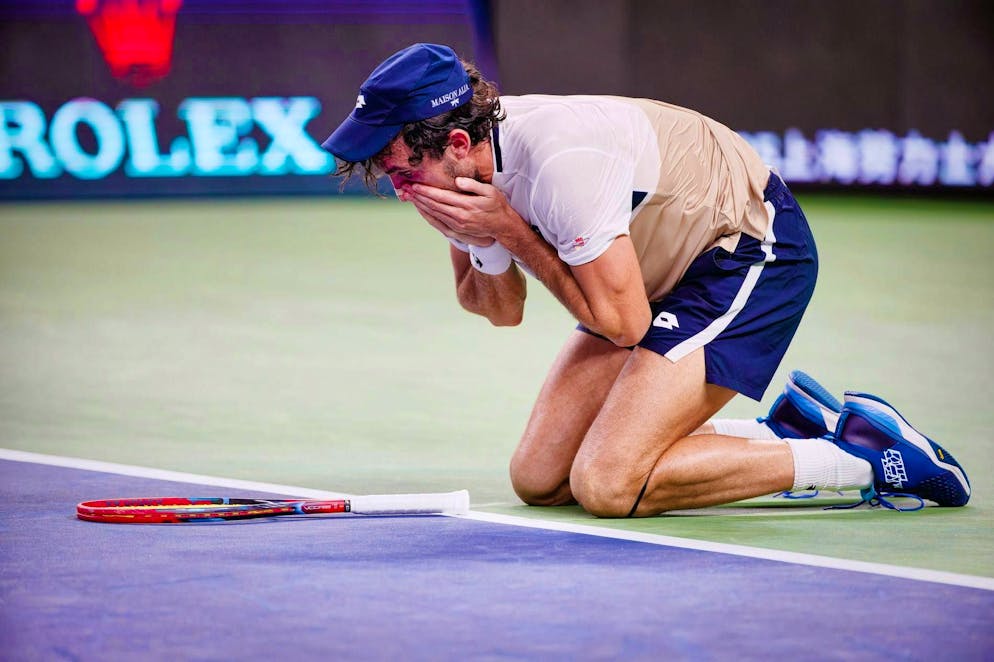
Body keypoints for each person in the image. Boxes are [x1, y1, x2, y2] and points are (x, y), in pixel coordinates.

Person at [321, 43, 971, 516]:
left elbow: (625, 326)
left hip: (743, 252)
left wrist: (514, 234)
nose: (400, 190)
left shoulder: (562, 163)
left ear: (457, 143)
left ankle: (865, 460)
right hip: (642, 274)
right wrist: (474, 233)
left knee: (608, 483)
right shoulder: (466, 173)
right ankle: (784, 433)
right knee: (539, 478)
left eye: (400, 168)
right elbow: (502, 310)